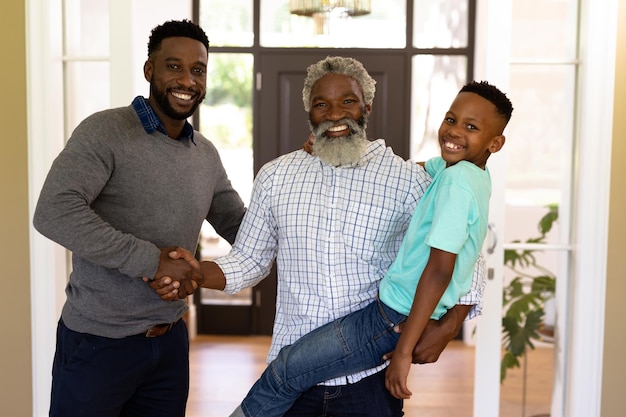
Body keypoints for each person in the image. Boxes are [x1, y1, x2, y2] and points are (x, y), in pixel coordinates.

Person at [152, 56, 487, 417]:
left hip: (370, 377)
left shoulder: (409, 181)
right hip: (294, 376)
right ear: (309, 112)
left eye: (348, 101)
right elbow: (249, 261)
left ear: (366, 108)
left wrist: (450, 324)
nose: (334, 113)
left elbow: (467, 253)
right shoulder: (276, 177)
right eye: (321, 104)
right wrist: (196, 273)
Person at [223, 80, 512, 416]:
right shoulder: (457, 174)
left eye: (471, 127)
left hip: (391, 319)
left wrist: (410, 348)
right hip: (389, 315)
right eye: (451, 120)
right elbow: (422, 171)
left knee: (283, 374)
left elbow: (443, 267)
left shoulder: (457, 184)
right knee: (286, 371)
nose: (455, 131)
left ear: (496, 142)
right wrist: (336, 141)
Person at [32, 20, 246, 417]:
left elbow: (241, 226)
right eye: (173, 66)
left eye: (197, 70)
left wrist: (304, 171)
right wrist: (152, 260)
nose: (187, 79)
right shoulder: (105, 132)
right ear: (150, 70)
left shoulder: (205, 154)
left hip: (169, 345)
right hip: (98, 344)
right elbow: (53, 211)